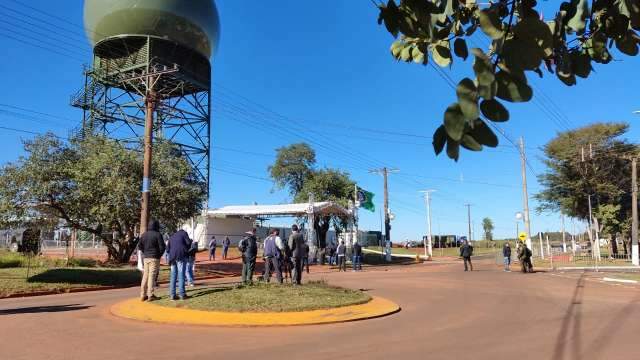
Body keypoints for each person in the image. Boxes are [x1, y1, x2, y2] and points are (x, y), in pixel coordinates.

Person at [137, 219, 165, 301]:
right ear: (156, 226)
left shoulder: (144, 235)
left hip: (146, 258)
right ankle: (150, 295)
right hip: (154, 258)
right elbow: (162, 247)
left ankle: (142, 295)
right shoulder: (158, 234)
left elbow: (139, 246)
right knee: (152, 276)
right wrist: (158, 255)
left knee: (145, 276)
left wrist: (145, 252)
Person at [167, 228, 192, 300]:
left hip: (172, 258)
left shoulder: (172, 236)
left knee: (173, 276)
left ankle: (172, 295)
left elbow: (168, 249)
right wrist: (186, 249)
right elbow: (188, 243)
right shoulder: (184, 233)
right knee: (181, 275)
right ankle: (182, 294)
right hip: (181, 256)